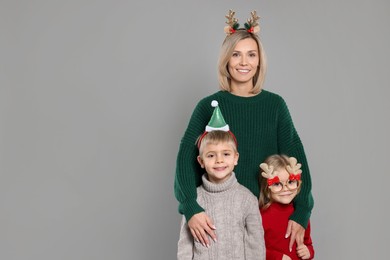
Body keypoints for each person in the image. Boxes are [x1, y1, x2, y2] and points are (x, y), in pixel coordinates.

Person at [174, 9, 314, 250]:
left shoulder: (275, 105)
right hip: (221, 217)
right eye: (236, 55)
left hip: (269, 215)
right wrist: (191, 207)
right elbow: (186, 159)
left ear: (259, 60)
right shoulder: (208, 106)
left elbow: (295, 157)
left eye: (251, 54)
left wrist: (302, 210)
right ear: (226, 60)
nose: (244, 62)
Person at [177, 100, 265, 260]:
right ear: (201, 161)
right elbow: (185, 245)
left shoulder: (247, 198)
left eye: (226, 154)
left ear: (235, 158)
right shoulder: (194, 201)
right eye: (211, 155)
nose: (219, 160)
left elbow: (256, 244)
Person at [259, 155, 315, 259]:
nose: (285, 189)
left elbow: (308, 243)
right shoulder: (261, 216)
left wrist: (308, 252)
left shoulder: (300, 215)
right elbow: (254, 249)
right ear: (267, 188)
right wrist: (277, 257)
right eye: (277, 184)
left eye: (290, 182)